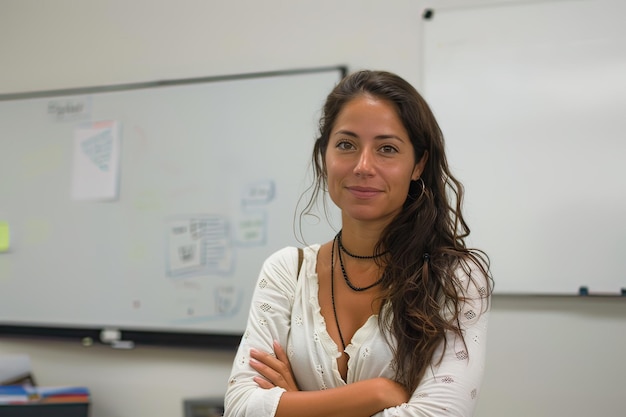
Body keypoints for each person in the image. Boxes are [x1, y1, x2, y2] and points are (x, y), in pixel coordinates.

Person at [224, 70, 492, 417]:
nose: (364, 166)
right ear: (325, 155)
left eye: (387, 149)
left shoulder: (455, 278)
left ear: (418, 164)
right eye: (346, 145)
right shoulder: (287, 271)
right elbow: (240, 407)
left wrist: (293, 405)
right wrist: (379, 393)